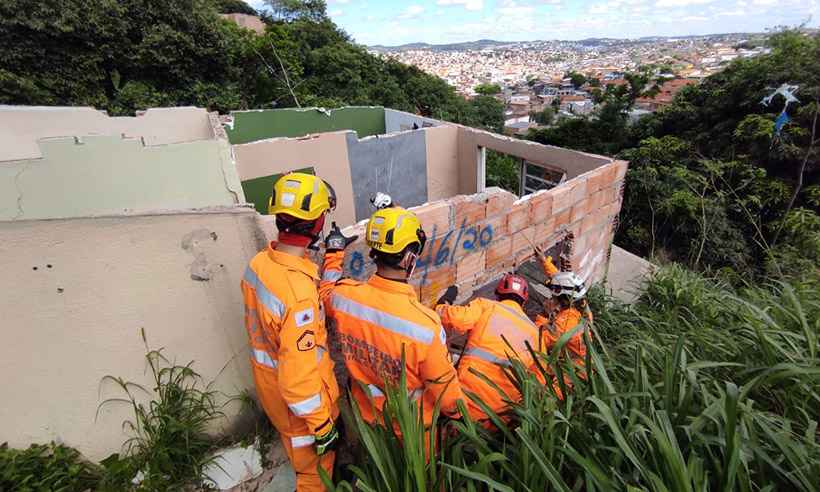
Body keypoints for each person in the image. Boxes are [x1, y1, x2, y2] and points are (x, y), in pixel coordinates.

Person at [240, 172, 342, 492]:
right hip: (300, 411)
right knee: (313, 475)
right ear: (316, 224)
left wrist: (332, 258)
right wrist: (323, 426)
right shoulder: (299, 297)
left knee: (297, 457)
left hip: (270, 390)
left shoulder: (258, 264)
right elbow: (299, 382)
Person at [321, 205, 464, 427]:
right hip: (410, 431)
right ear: (408, 259)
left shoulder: (343, 297)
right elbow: (446, 394)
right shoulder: (426, 327)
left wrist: (334, 251)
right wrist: (459, 416)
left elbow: (325, 291)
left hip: (365, 417)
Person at [435, 274, 541, 423]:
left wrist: (442, 305)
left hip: (467, 404)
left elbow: (456, 319)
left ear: (497, 294)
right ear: (524, 302)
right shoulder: (535, 333)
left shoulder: (487, 306)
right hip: (502, 418)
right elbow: (539, 378)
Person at [533, 247, 592, 394]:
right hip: (583, 362)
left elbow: (537, 338)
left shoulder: (565, 323)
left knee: (547, 397)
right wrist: (544, 261)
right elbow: (559, 279)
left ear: (563, 299)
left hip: (573, 374)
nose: (551, 298)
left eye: (553, 296)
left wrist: (544, 314)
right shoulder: (581, 306)